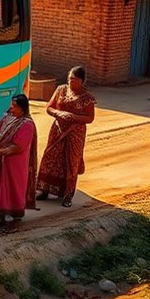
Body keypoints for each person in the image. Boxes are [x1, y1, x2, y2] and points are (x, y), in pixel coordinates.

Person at [36, 66, 97, 208]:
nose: (71, 82)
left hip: (75, 133)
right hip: (57, 130)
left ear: (82, 81)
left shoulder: (87, 98)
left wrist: (73, 116)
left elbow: (90, 118)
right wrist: (58, 113)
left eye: (74, 80)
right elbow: (49, 107)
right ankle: (44, 189)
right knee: (50, 156)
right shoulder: (61, 90)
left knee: (70, 162)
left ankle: (68, 195)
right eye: (70, 79)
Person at [0, 94, 38, 234]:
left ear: (22, 109)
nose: (11, 108)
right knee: (1, 186)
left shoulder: (27, 124)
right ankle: (1, 216)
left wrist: (3, 151)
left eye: (14, 106)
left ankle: (15, 219)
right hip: (2, 160)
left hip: (15, 162)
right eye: (12, 105)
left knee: (13, 187)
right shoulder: (8, 117)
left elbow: (19, 146)